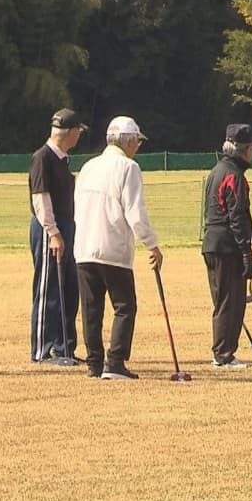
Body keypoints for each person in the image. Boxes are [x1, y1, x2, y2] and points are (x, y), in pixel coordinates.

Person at [74, 116, 163, 379]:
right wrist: (152, 244)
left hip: (85, 247)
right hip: (113, 247)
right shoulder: (129, 168)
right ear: (130, 141)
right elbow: (135, 212)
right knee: (125, 306)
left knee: (91, 309)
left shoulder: (88, 166)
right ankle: (114, 363)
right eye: (137, 142)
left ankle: (94, 364)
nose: (138, 147)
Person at [29, 108, 86, 363]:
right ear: (71, 132)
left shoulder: (62, 158)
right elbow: (41, 198)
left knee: (68, 287)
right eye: (78, 132)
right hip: (49, 228)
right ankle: (42, 349)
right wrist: (53, 232)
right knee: (48, 287)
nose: (79, 137)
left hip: (66, 225)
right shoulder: (43, 157)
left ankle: (64, 347)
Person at [202, 124, 252, 367]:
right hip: (226, 245)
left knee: (223, 298)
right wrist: (246, 253)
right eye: (251, 148)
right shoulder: (234, 175)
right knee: (230, 300)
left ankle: (223, 351)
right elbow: (236, 216)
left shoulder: (216, 171)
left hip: (212, 242)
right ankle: (224, 354)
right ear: (243, 150)